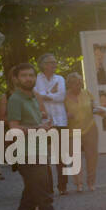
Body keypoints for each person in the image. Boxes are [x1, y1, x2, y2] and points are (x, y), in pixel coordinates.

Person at [5, 62, 83, 210]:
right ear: (16, 79)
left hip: (38, 151)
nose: (28, 79)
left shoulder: (32, 98)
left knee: (31, 196)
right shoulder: (15, 99)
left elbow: (35, 122)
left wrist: (44, 125)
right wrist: (37, 128)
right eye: (24, 75)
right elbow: (13, 128)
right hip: (27, 154)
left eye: (31, 75)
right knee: (44, 196)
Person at [64, 71, 106, 191]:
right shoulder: (64, 97)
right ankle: (79, 183)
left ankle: (91, 182)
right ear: (69, 84)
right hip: (72, 131)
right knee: (75, 158)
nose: (78, 86)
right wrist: (65, 115)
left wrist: (99, 110)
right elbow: (59, 114)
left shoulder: (87, 93)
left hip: (90, 128)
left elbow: (93, 106)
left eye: (79, 83)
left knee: (92, 156)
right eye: (75, 84)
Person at [35, 54, 69, 194]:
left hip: (60, 120)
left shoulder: (60, 79)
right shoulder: (36, 79)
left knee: (61, 156)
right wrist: (51, 92)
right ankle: (48, 187)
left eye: (55, 62)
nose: (54, 65)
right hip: (44, 122)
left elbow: (62, 96)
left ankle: (62, 186)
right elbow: (36, 96)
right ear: (43, 65)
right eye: (51, 63)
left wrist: (45, 95)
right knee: (44, 156)